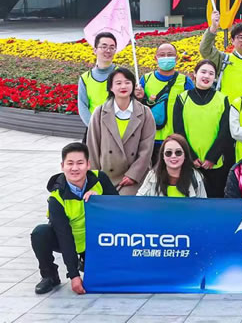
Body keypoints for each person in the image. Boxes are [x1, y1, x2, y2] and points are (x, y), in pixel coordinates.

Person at [31, 142, 118, 295]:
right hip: (70, 239)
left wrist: (101, 200)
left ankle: (86, 261)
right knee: (40, 233)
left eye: (80, 163)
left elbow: (120, 208)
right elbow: (64, 236)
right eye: (70, 163)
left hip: (96, 240)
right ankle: (49, 275)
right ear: (62, 166)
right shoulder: (56, 198)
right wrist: (74, 275)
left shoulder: (100, 179)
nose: (75, 168)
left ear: (88, 164)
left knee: (111, 277)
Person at [86, 67, 156, 195]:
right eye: (118, 83)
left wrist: (133, 175)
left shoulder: (145, 113)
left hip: (133, 178)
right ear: (110, 87)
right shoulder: (100, 112)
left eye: (127, 82)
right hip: (105, 176)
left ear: (133, 85)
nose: (123, 86)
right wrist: (94, 178)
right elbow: (92, 147)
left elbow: (146, 149)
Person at [173, 59, 233, 198]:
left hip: (215, 163)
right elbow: (179, 130)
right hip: (190, 162)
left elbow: (225, 132)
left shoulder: (222, 99)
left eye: (211, 73)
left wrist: (212, 158)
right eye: (203, 72)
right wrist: (191, 157)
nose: (206, 76)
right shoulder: (182, 99)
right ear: (195, 74)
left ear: (215, 77)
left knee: (215, 200)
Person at [135, 43, 194, 158]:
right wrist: (138, 97)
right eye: (162, 55)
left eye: (170, 54)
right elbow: (138, 107)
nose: (166, 57)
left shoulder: (185, 81)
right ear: (155, 58)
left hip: (175, 139)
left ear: (176, 58)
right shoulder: (145, 80)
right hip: (151, 138)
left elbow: (192, 109)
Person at [137, 134, 207, 197]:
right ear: (163, 156)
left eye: (178, 152)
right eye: (168, 153)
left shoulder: (196, 177)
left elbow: (202, 204)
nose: (173, 156)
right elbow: (139, 201)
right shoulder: (152, 176)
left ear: (185, 155)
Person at [77, 32, 117, 127]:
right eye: (104, 47)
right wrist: (94, 127)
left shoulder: (122, 75)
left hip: (117, 128)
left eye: (112, 47)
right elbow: (82, 106)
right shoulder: (85, 78)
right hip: (93, 128)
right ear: (95, 50)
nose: (108, 51)